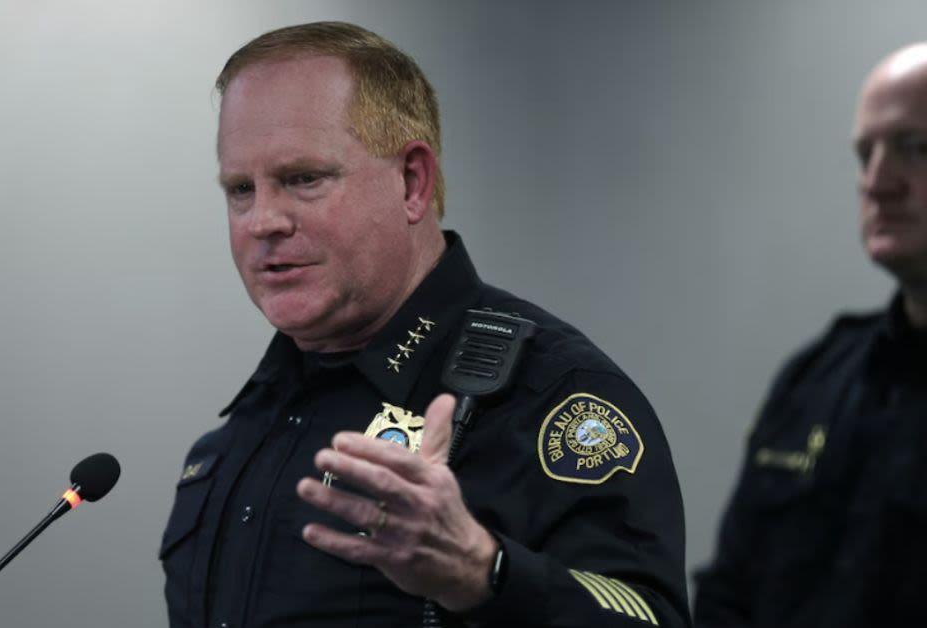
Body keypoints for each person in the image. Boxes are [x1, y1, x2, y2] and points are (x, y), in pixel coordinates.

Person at [160, 21, 689, 627]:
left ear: (413, 182)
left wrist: (485, 572)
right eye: (240, 189)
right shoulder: (240, 433)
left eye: (303, 179)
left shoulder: (549, 396)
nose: (263, 221)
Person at [693, 43, 927, 627]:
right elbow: (729, 594)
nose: (877, 183)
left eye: (916, 147)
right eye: (865, 154)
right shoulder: (815, 379)